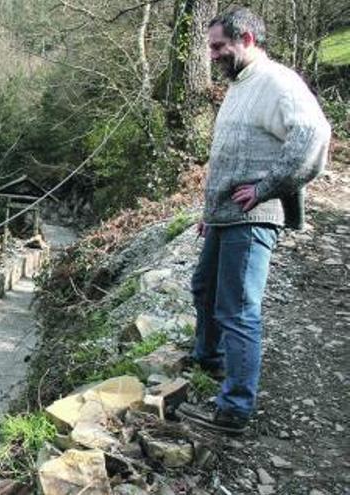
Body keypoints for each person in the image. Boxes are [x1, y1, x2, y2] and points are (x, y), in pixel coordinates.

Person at [176, 7, 332, 435]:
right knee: (204, 288)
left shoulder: (277, 81)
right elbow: (230, 153)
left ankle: (234, 409)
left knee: (239, 310)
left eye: (218, 47)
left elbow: (313, 134)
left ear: (246, 39)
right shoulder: (239, 85)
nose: (212, 55)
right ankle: (209, 359)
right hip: (226, 215)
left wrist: (267, 188)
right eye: (210, 48)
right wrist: (211, 213)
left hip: (252, 217)